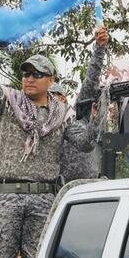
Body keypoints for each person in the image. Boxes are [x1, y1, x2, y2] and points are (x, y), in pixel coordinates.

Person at [0, 18, 100, 258]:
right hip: (6, 197)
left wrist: (97, 118)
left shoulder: (62, 115)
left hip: (44, 199)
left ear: (50, 80)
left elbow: (83, 143)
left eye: (37, 74)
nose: (29, 78)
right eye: (26, 73)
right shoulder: (7, 103)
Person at [48, 26, 108, 183]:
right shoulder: (43, 126)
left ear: (65, 99)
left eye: (59, 96)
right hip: (62, 190)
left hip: (90, 185)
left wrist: (99, 48)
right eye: (51, 97)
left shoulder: (75, 116)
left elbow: (91, 80)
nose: (56, 100)